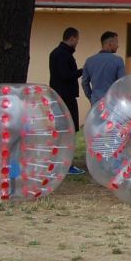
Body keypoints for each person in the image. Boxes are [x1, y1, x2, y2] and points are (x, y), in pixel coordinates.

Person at [48, 27, 85, 176]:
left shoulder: (55, 53)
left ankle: (57, 162)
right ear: (72, 38)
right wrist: (82, 71)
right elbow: (66, 75)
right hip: (66, 98)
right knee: (68, 131)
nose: (77, 43)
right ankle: (66, 164)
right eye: (77, 39)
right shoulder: (63, 54)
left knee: (61, 131)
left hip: (58, 96)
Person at [83, 30, 126, 107]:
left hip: (96, 104)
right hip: (112, 104)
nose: (118, 46)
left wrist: (91, 98)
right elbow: (121, 84)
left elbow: (84, 83)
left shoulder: (89, 61)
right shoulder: (118, 60)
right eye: (116, 42)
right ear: (110, 43)